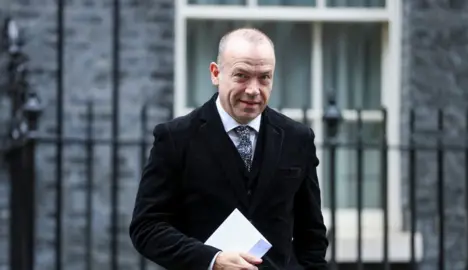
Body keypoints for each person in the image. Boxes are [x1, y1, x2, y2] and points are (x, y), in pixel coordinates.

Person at [129, 27, 329, 270]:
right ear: (216, 73)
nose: (254, 90)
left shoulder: (298, 139)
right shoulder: (175, 138)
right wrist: (213, 260)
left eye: (264, 77)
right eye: (242, 75)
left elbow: (312, 238)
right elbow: (147, 227)